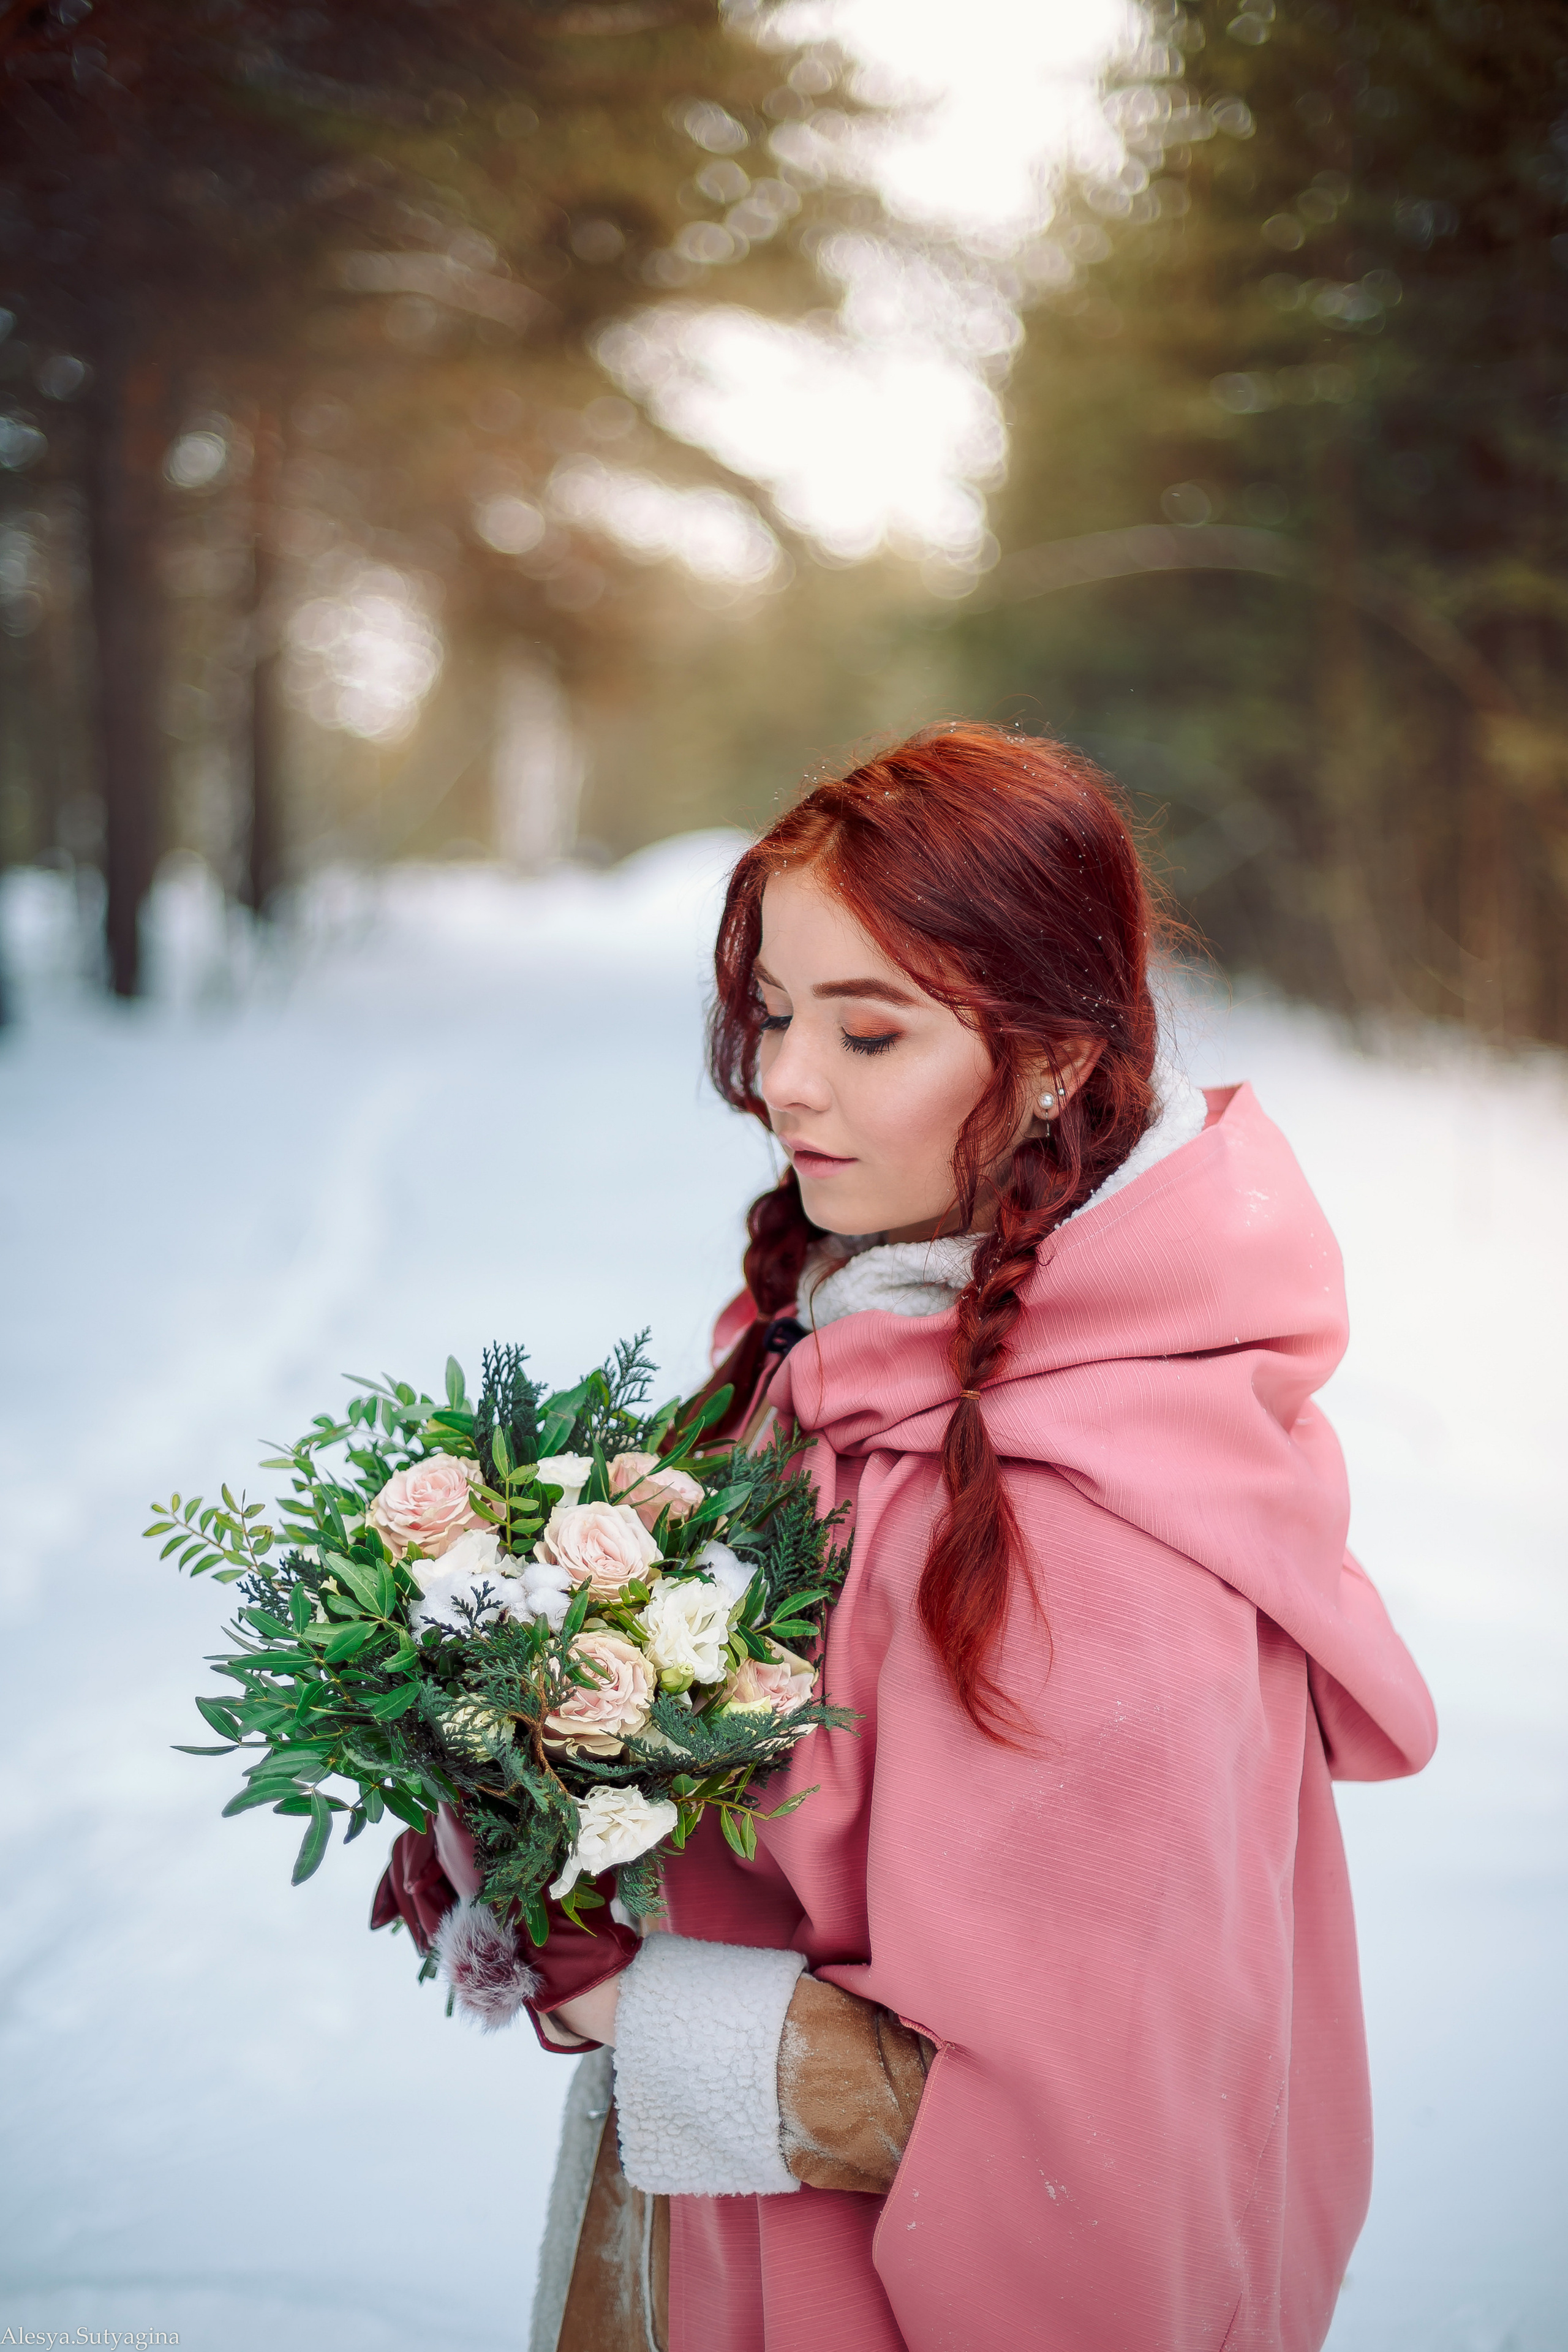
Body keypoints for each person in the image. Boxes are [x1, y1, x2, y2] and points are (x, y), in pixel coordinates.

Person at [377, 722, 1437, 2352]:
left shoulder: (1073, 1535)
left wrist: (619, 1993)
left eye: (871, 1034)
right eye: (778, 1014)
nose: (788, 1080)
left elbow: (1080, 2150)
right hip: (717, 2256)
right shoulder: (850, 1353)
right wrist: (531, 1802)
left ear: (1058, 1059)